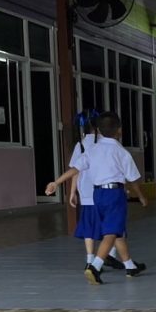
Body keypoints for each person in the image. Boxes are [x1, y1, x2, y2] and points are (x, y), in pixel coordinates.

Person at [73, 112, 148, 285]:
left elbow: (75, 169)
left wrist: (56, 182)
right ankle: (95, 266)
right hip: (114, 194)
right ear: (119, 130)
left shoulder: (92, 149)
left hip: (97, 195)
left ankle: (129, 265)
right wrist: (141, 196)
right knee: (112, 232)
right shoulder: (121, 152)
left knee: (117, 228)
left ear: (98, 131)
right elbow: (133, 179)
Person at [45, 113, 126, 271]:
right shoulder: (109, 144)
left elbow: (76, 170)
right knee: (111, 224)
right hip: (108, 191)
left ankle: (90, 258)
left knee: (89, 225)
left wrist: (72, 191)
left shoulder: (81, 145)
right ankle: (111, 255)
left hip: (88, 192)